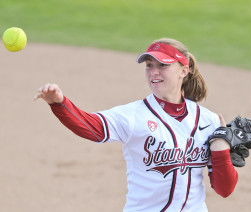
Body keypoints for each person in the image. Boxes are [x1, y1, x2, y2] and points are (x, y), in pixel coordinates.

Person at [34, 38, 238, 212]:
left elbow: (224, 189)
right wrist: (60, 103)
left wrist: (221, 150)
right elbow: (92, 128)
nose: (154, 72)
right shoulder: (133, 115)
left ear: (183, 70)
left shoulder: (208, 120)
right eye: (149, 65)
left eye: (162, 65)